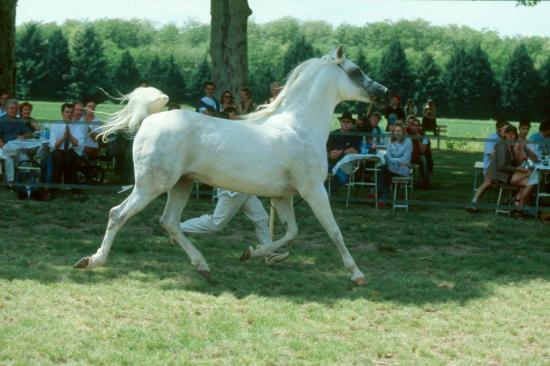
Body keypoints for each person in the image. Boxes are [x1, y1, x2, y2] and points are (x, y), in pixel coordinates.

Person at [180, 113, 289, 266]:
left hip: (245, 188)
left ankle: (268, 253)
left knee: (261, 218)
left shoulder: (241, 138)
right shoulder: (224, 141)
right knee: (216, 224)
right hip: (233, 189)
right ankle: (178, 228)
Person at [467, 125, 538, 218]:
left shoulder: (511, 147)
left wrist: (521, 155)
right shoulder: (502, 146)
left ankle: (517, 208)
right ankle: (516, 204)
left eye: (513, 134)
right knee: (531, 174)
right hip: (500, 175)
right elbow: (502, 166)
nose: (511, 136)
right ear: (505, 135)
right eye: (509, 134)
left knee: (530, 182)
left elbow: (514, 163)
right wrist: (518, 169)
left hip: (506, 174)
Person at [49, 103, 85, 187]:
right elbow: (53, 145)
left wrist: (70, 136)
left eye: (71, 112)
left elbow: (78, 145)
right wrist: (63, 138)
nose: (69, 115)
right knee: (58, 158)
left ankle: (74, 189)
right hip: (58, 150)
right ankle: (53, 188)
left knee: (69, 158)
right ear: (62, 113)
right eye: (67, 112)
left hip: (72, 151)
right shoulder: (55, 125)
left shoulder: (78, 126)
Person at [377, 123, 412, 206]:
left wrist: (393, 160)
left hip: (403, 169)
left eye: (399, 131)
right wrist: (395, 161)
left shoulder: (408, 142)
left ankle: (379, 194)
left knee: (383, 170)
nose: (397, 133)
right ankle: (382, 199)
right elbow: (388, 157)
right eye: (395, 131)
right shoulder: (390, 142)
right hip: (391, 168)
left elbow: (405, 159)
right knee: (383, 170)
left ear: (403, 132)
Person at [0, 99, 33, 183]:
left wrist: (23, 136)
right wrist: (5, 147)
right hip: (4, 146)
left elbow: (30, 133)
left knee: (25, 157)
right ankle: (10, 181)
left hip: (18, 146)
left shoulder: (20, 120)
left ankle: (24, 179)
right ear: (6, 109)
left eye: (16, 108)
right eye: (12, 108)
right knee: (9, 157)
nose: (14, 110)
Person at [327, 111, 361, 191]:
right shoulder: (332, 134)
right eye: (343, 121)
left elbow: (355, 151)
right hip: (330, 163)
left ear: (352, 123)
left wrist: (340, 152)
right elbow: (326, 150)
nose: (345, 123)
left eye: (348, 121)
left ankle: (326, 193)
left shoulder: (355, 135)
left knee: (342, 178)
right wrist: (330, 154)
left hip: (345, 165)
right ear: (340, 122)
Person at [408, 117, 433, 189]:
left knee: (424, 160)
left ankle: (425, 182)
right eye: (413, 125)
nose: (415, 127)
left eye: (417, 125)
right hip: (409, 154)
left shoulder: (424, 136)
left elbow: (422, 150)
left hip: (420, 155)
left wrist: (418, 139)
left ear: (419, 127)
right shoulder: (407, 133)